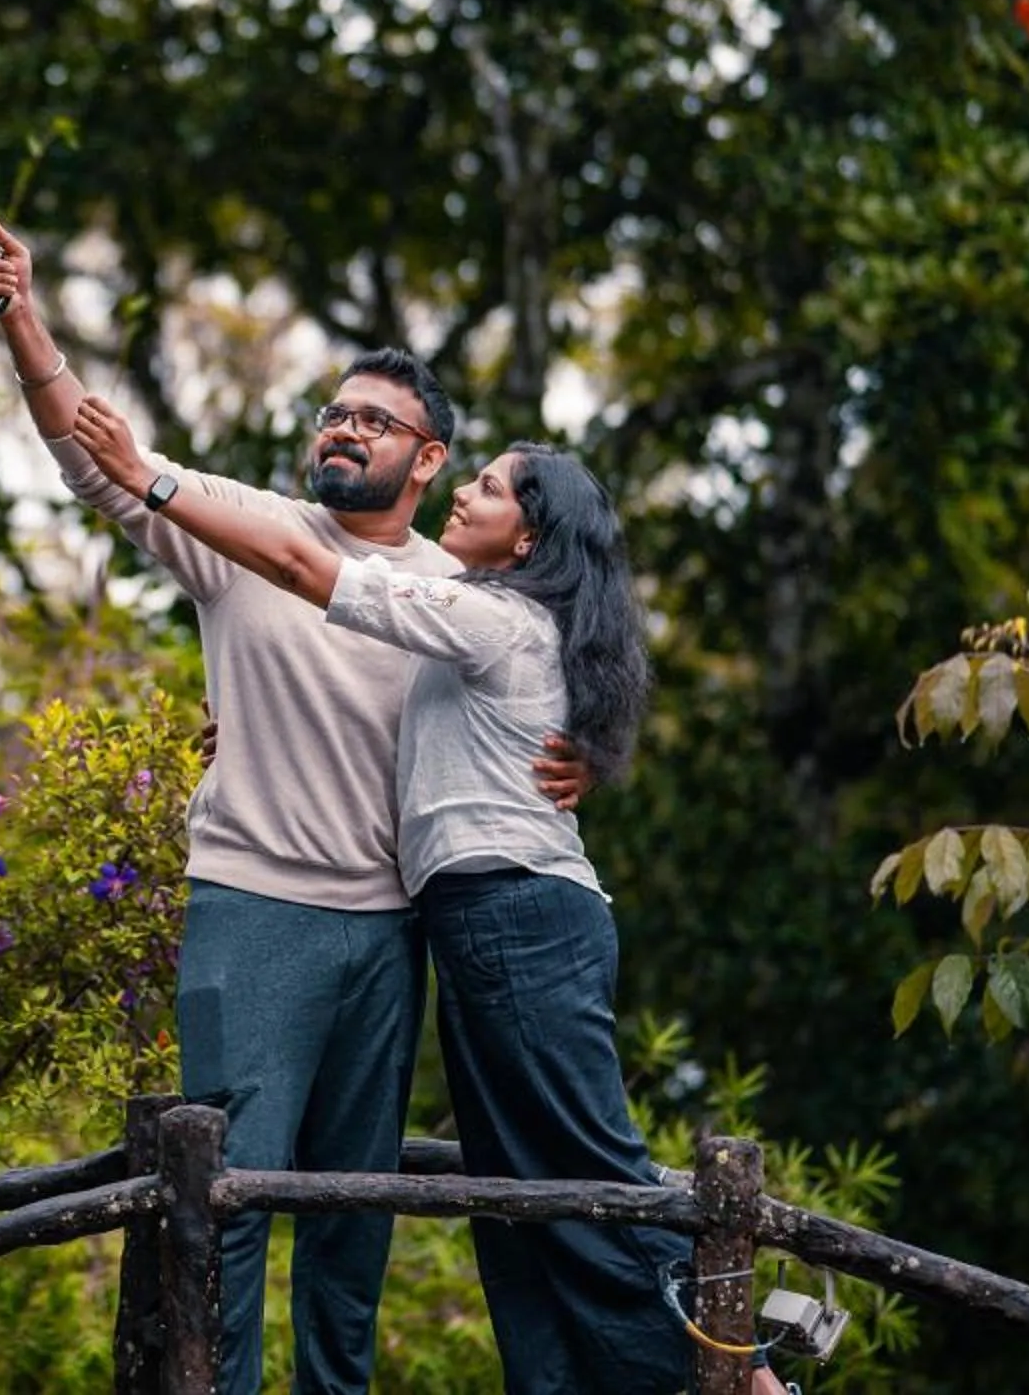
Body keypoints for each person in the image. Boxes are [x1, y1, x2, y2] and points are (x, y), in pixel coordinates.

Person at [0, 224, 585, 1395]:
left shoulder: (470, 596)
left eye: (374, 421)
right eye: (332, 412)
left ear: (432, 459)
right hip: (254, 909)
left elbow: (568, 657)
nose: (342, 430)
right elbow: (94, 458)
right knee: (229, 1199)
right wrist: (21, 313)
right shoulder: (245, 535)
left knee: (355, 1221)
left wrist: (589, 750)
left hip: (395, 931)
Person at [68, 392, 704, 1395]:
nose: (468, 494)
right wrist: (243, 722)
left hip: (515, 916)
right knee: (518, 1193)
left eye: (488, 487)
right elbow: (359, 695)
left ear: (528, 534)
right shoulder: (497, 621)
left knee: (585, 1170)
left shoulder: (491, 613)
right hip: (479, 920)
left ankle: (738, 1372)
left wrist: (155, 475)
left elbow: (306, 570)